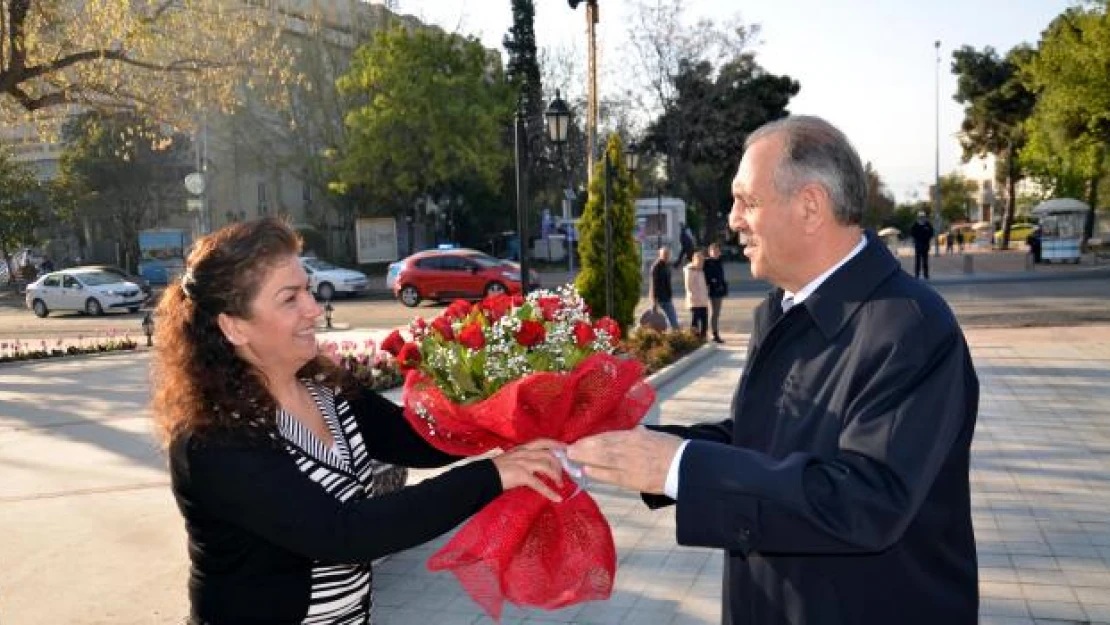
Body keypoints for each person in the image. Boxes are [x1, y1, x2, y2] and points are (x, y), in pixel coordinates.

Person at [569, 116, 980, 625]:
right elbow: (759, 441)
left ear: (810, 206)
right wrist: (627, 447)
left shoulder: (911, 327)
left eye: (748, 201)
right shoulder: (781, 310)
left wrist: (681, 467)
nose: (733, 219)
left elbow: (866, 501)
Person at [152, 217, 563, 624]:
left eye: (308, 291)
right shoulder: (214, 439)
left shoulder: (325, 390)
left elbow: (415, 439)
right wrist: (491, 475)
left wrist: (508, 414)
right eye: (289, 298)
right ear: (234, 326)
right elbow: (344, 534)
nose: (314, 309)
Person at [649, 246, 680, 330]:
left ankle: (677, 338)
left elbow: (668, 282)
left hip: (666, 297)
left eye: (667, 254)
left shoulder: (667, 266)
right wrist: (654, 300)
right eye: (664, 254)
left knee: (673, 321)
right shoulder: (656, 267)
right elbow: (654, 284)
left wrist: (670, 294)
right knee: (654, 322)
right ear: (659, 255)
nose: (666, 256)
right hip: (658, 298)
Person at [702, 242, 728, 343]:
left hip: (719, 291)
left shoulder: (719, 261)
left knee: (716, 313)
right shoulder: (707, 262)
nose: (716, 253)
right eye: (714, 251)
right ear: (710, 252)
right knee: (714, 313)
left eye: (718, 251)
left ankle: (714, 332)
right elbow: (703, 275)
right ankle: (714, 333)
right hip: (711, 291)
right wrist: (712, 281)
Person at [683, 250, 709, 338]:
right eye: (700, 260)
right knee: (695, 321)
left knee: (704, 321)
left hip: (703, 300)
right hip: (695, 301)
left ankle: (703, 336)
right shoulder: (690, 270)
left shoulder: (700, 270)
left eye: (702, 261)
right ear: (694, 260)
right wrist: (694, 297)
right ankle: (694, 337)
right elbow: (689, 286)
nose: (702, 262)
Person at [910, 211, 935, 279]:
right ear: (918, 217)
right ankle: (917, 274)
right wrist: (916, 240)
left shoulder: (928, 224)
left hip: (925, 245)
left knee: (925, 261)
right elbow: (912, 233)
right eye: (920, 217)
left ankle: (926, 274)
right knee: (917, 261)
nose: (921, 218)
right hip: (918, 245)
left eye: (923, 217)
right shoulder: (915, 225)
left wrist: (927, 238)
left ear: (924, 217)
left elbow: (931, 233)